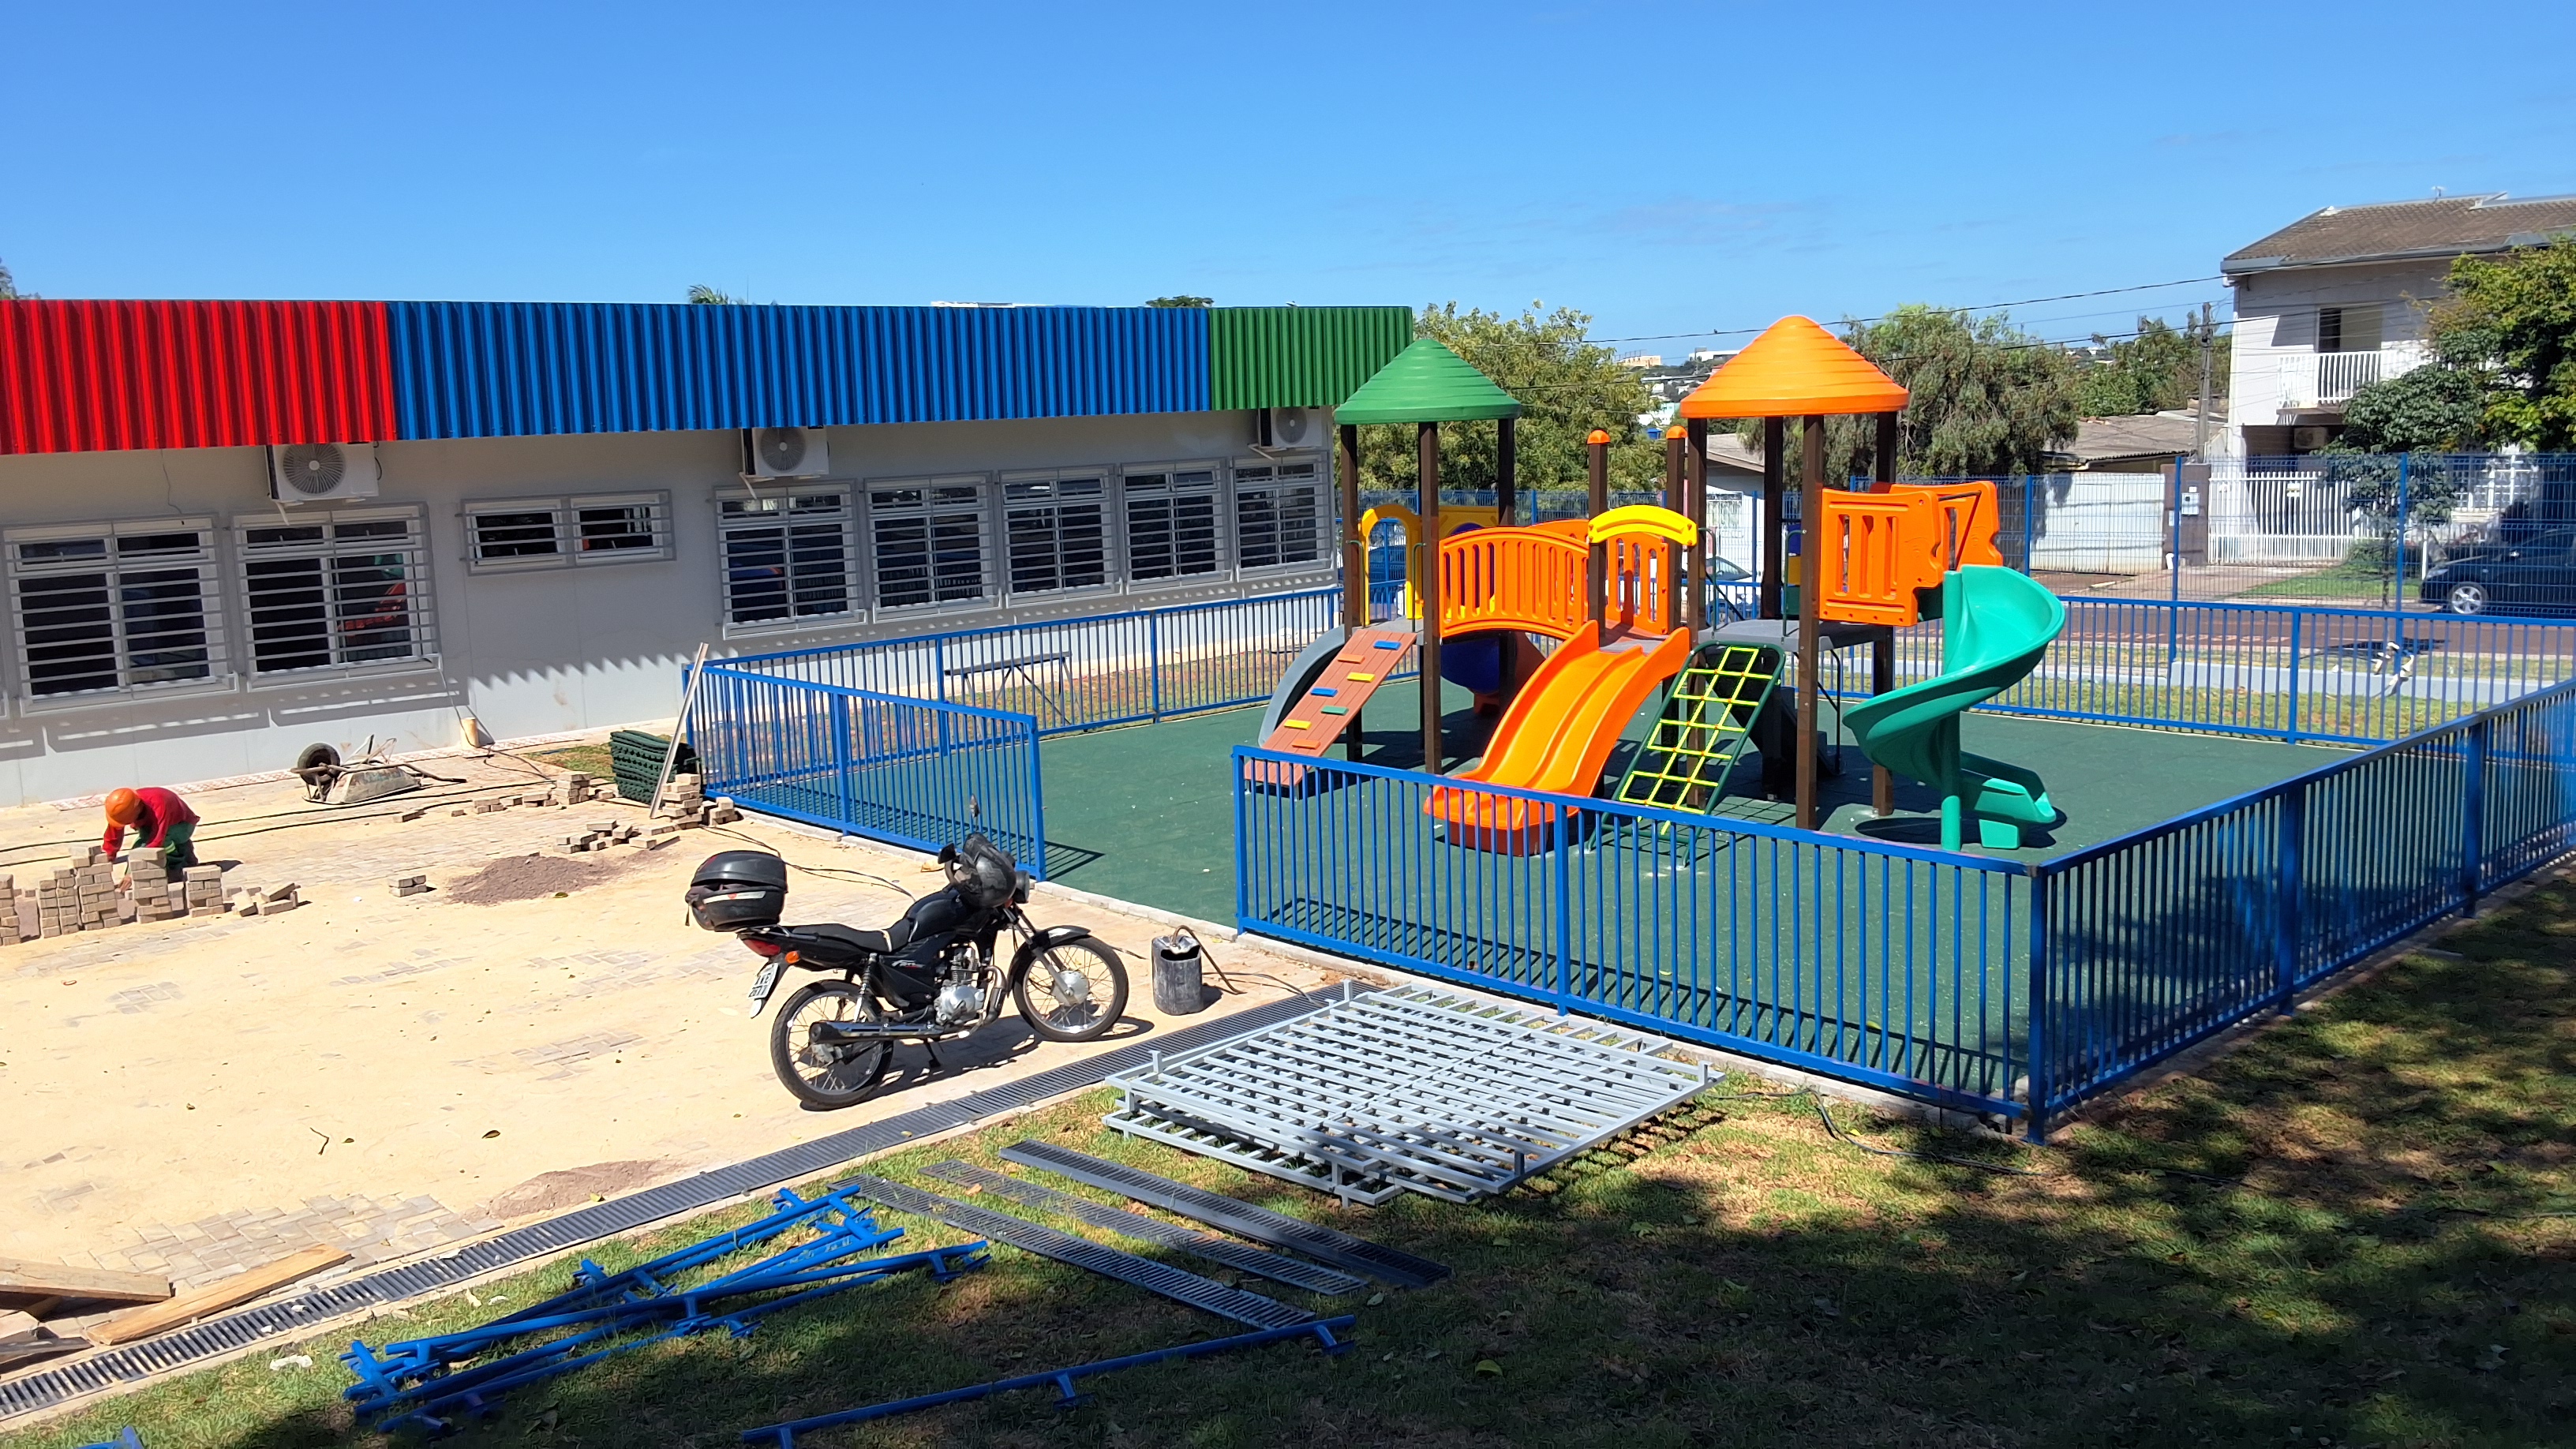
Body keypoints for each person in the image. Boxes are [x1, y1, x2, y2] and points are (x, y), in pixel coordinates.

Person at [103, 786, 200, 872]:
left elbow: (157, 840)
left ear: (137, 809)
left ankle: (175, 866)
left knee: (158, 844)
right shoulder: (123, 808)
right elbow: (113, 834)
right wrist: (108, 855)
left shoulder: (158, 804)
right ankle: (187, 854)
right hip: (153, 823)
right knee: (145, 843)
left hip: (183, 824)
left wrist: (132, 872)